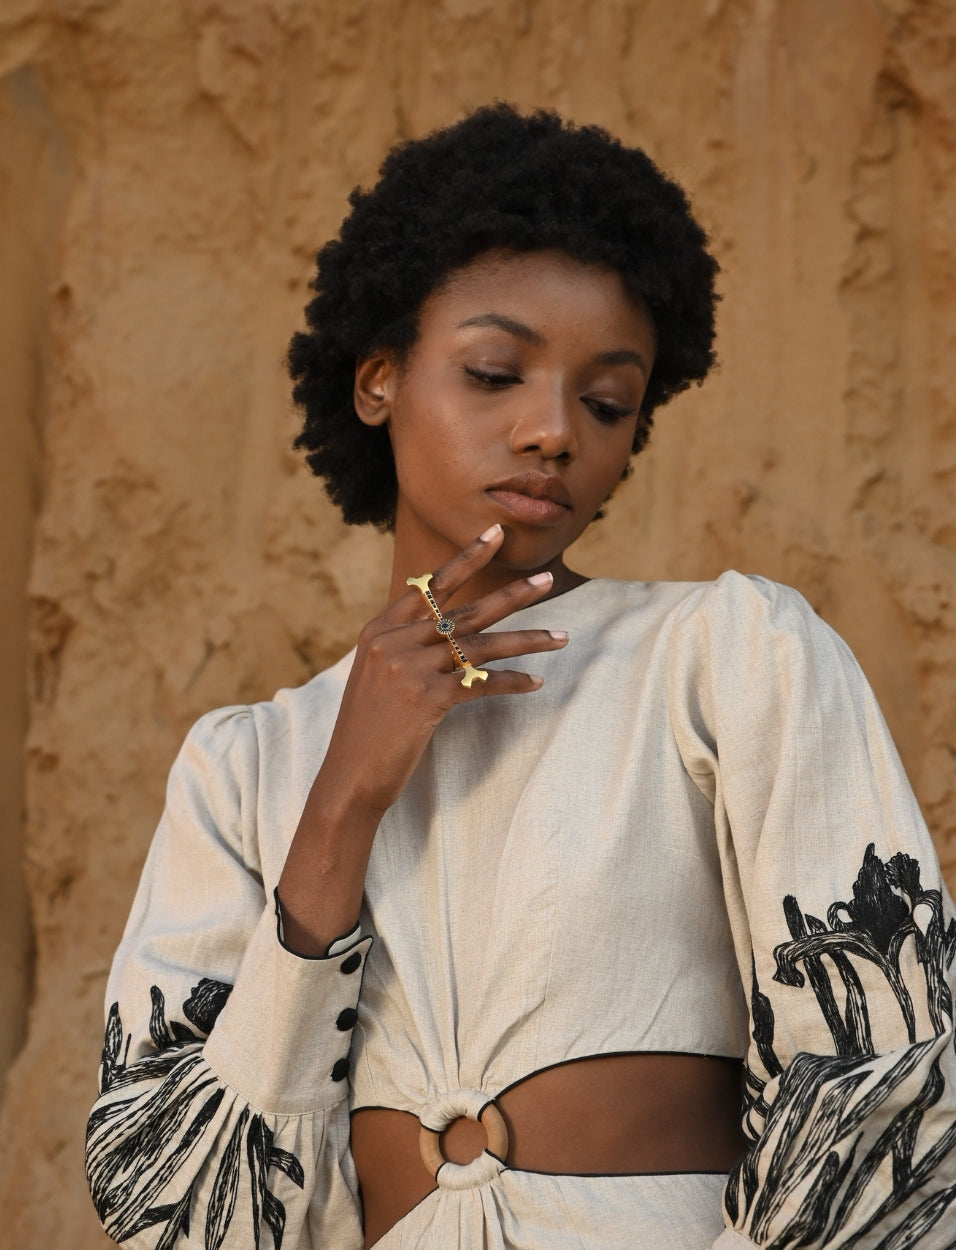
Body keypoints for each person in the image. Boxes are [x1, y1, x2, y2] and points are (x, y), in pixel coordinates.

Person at [86, 105, 956, 1250]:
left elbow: (889, 1085)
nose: (552, 431)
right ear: (377, 380)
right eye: (494, 372)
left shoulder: (728, 654)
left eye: (605, 402)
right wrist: (341, 802)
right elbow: (176, 1206)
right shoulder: (245, 763)